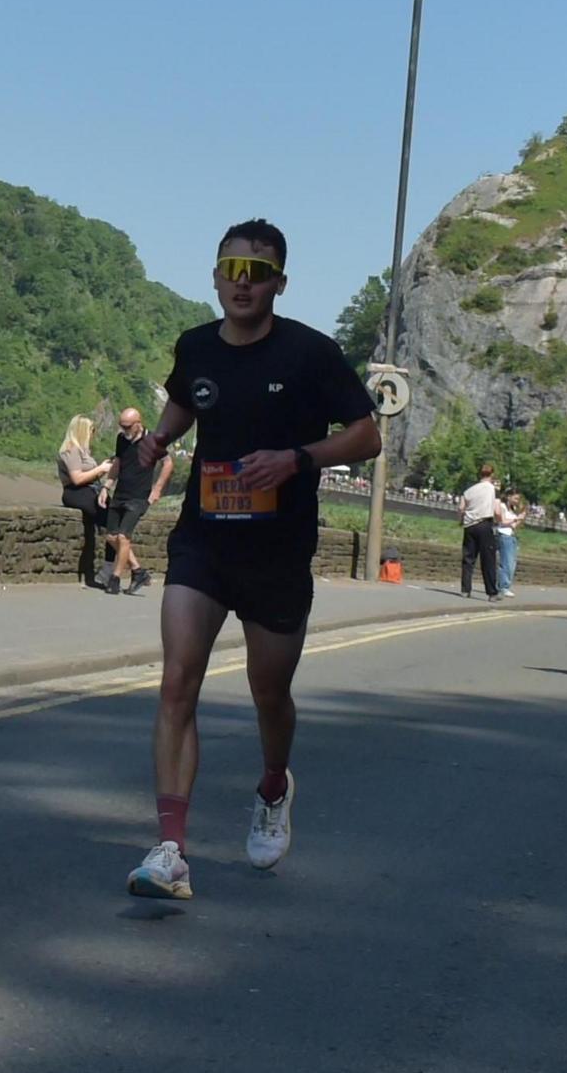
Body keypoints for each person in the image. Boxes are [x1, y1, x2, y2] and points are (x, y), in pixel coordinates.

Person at [122, 219, 383, 899]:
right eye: (231, 271)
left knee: (269, 694)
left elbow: (367, 436)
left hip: (278, 552)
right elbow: (185, 403)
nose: (242, 284)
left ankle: (273, 784)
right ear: (214, 277)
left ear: (279, 283)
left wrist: (297, 458)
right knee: (178, 681)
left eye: (257, 273)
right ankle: (170, 850)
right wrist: (156, 442)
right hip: (203, 541)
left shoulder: (310, 355)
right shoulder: (196, 346)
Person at [103, 405, 168, 592]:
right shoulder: (121, 439)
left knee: (123, 537)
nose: (124, 430)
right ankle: (138, 572)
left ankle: (114, 580)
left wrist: (157, 489)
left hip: (139, 497)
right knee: (110, 536)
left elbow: (168, 463)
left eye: (128, 426)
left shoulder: (153, 440)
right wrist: (107, 486)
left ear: (138, 424)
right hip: (120, 493)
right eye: (122, 426)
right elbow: (118, 462)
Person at [58, 412, 113, 587]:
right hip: (77, 492)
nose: (93, 434)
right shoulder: (71, 449)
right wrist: (100, 469)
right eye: (91, 430)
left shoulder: (83, 450)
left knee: (115, 523)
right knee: (112, 524)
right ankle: (123, 568)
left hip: (89, 490)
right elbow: (77, 478)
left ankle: (112, 568)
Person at [459, 465, 504, 605]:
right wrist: (499, 520)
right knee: (488, 559)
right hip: (484, 524)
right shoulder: (492, 488)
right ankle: (492, 592)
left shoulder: (469, 491)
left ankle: (466, 589)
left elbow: (461, 508)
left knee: (468, 558)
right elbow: (497, 510)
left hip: (469, 526)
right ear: (492, 475)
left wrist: (461, 521)